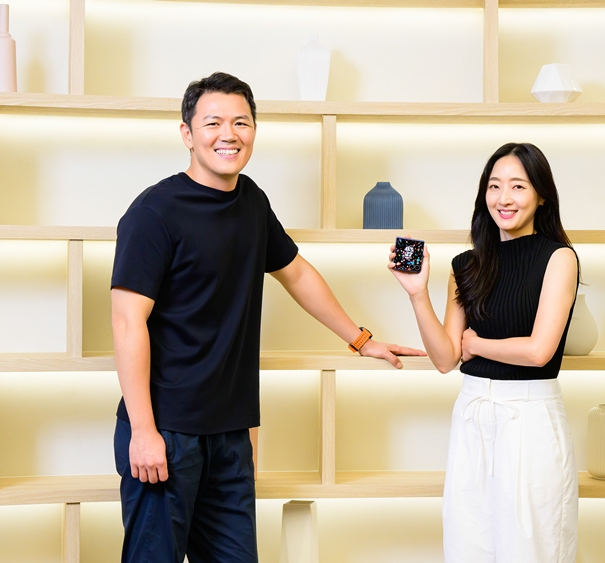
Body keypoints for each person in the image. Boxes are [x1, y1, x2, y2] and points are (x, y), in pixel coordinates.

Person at [110, 72, 423, 563]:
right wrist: (144, 431)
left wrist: (363, 340)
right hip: (167, 431)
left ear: (254, 130)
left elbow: (296, 273)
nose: (229, 134)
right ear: (187, 134)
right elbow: (128, 322)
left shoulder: (251, 201)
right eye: (213, 123)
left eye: (241, 122)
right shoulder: (154, 213)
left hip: (231, 434)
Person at [389, 143, 580, 563]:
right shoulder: (467, 265)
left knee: (532, 548)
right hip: (472, 413)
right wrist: (417, 293)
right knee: (468, 544)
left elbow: (539, 351)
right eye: (494, 186)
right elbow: (445, 359)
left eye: (518, 186)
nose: (504, 198)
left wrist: (475, 345)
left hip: (529, 418)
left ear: (541, 195)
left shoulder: (559, 258)